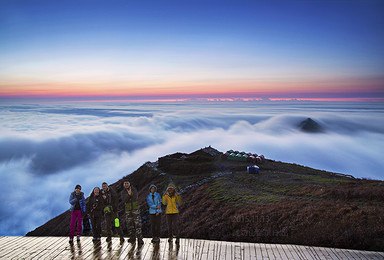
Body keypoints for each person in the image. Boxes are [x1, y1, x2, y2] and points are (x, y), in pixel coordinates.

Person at [121, 179, 144, 245]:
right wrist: (129, 195)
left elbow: (135, 198)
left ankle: (140, 238)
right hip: (128, 209)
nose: (126, 185)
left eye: (127, 183)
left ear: (129, 183)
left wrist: (130, 197)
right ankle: (132, 237)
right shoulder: (123, 192)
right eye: (125, 183)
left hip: (135, 209)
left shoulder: (134, 189)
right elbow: (124, 200)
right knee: (129, 224)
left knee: (137, 224)